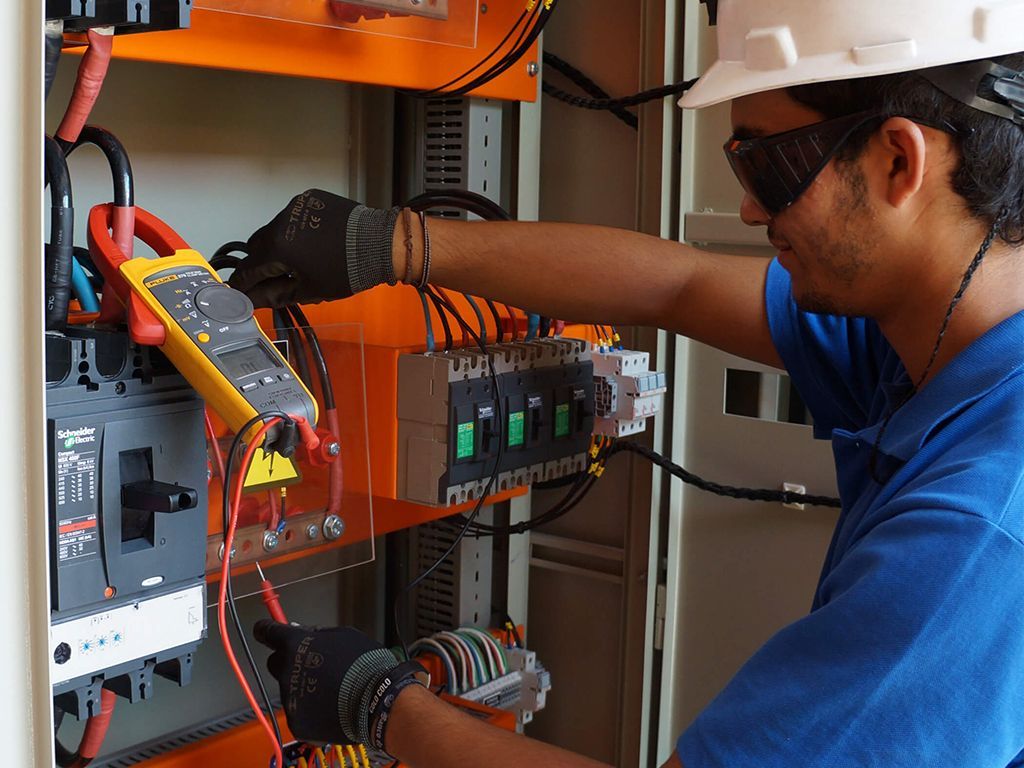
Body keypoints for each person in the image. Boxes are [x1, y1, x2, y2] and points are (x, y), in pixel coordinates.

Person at [236, 1, 1024, 765]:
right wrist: (388, 243)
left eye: (768, 163)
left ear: (899, 160)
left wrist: (381, 706)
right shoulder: (934, 336)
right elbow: (675, 285)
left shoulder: (977, 536)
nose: (749, 208)